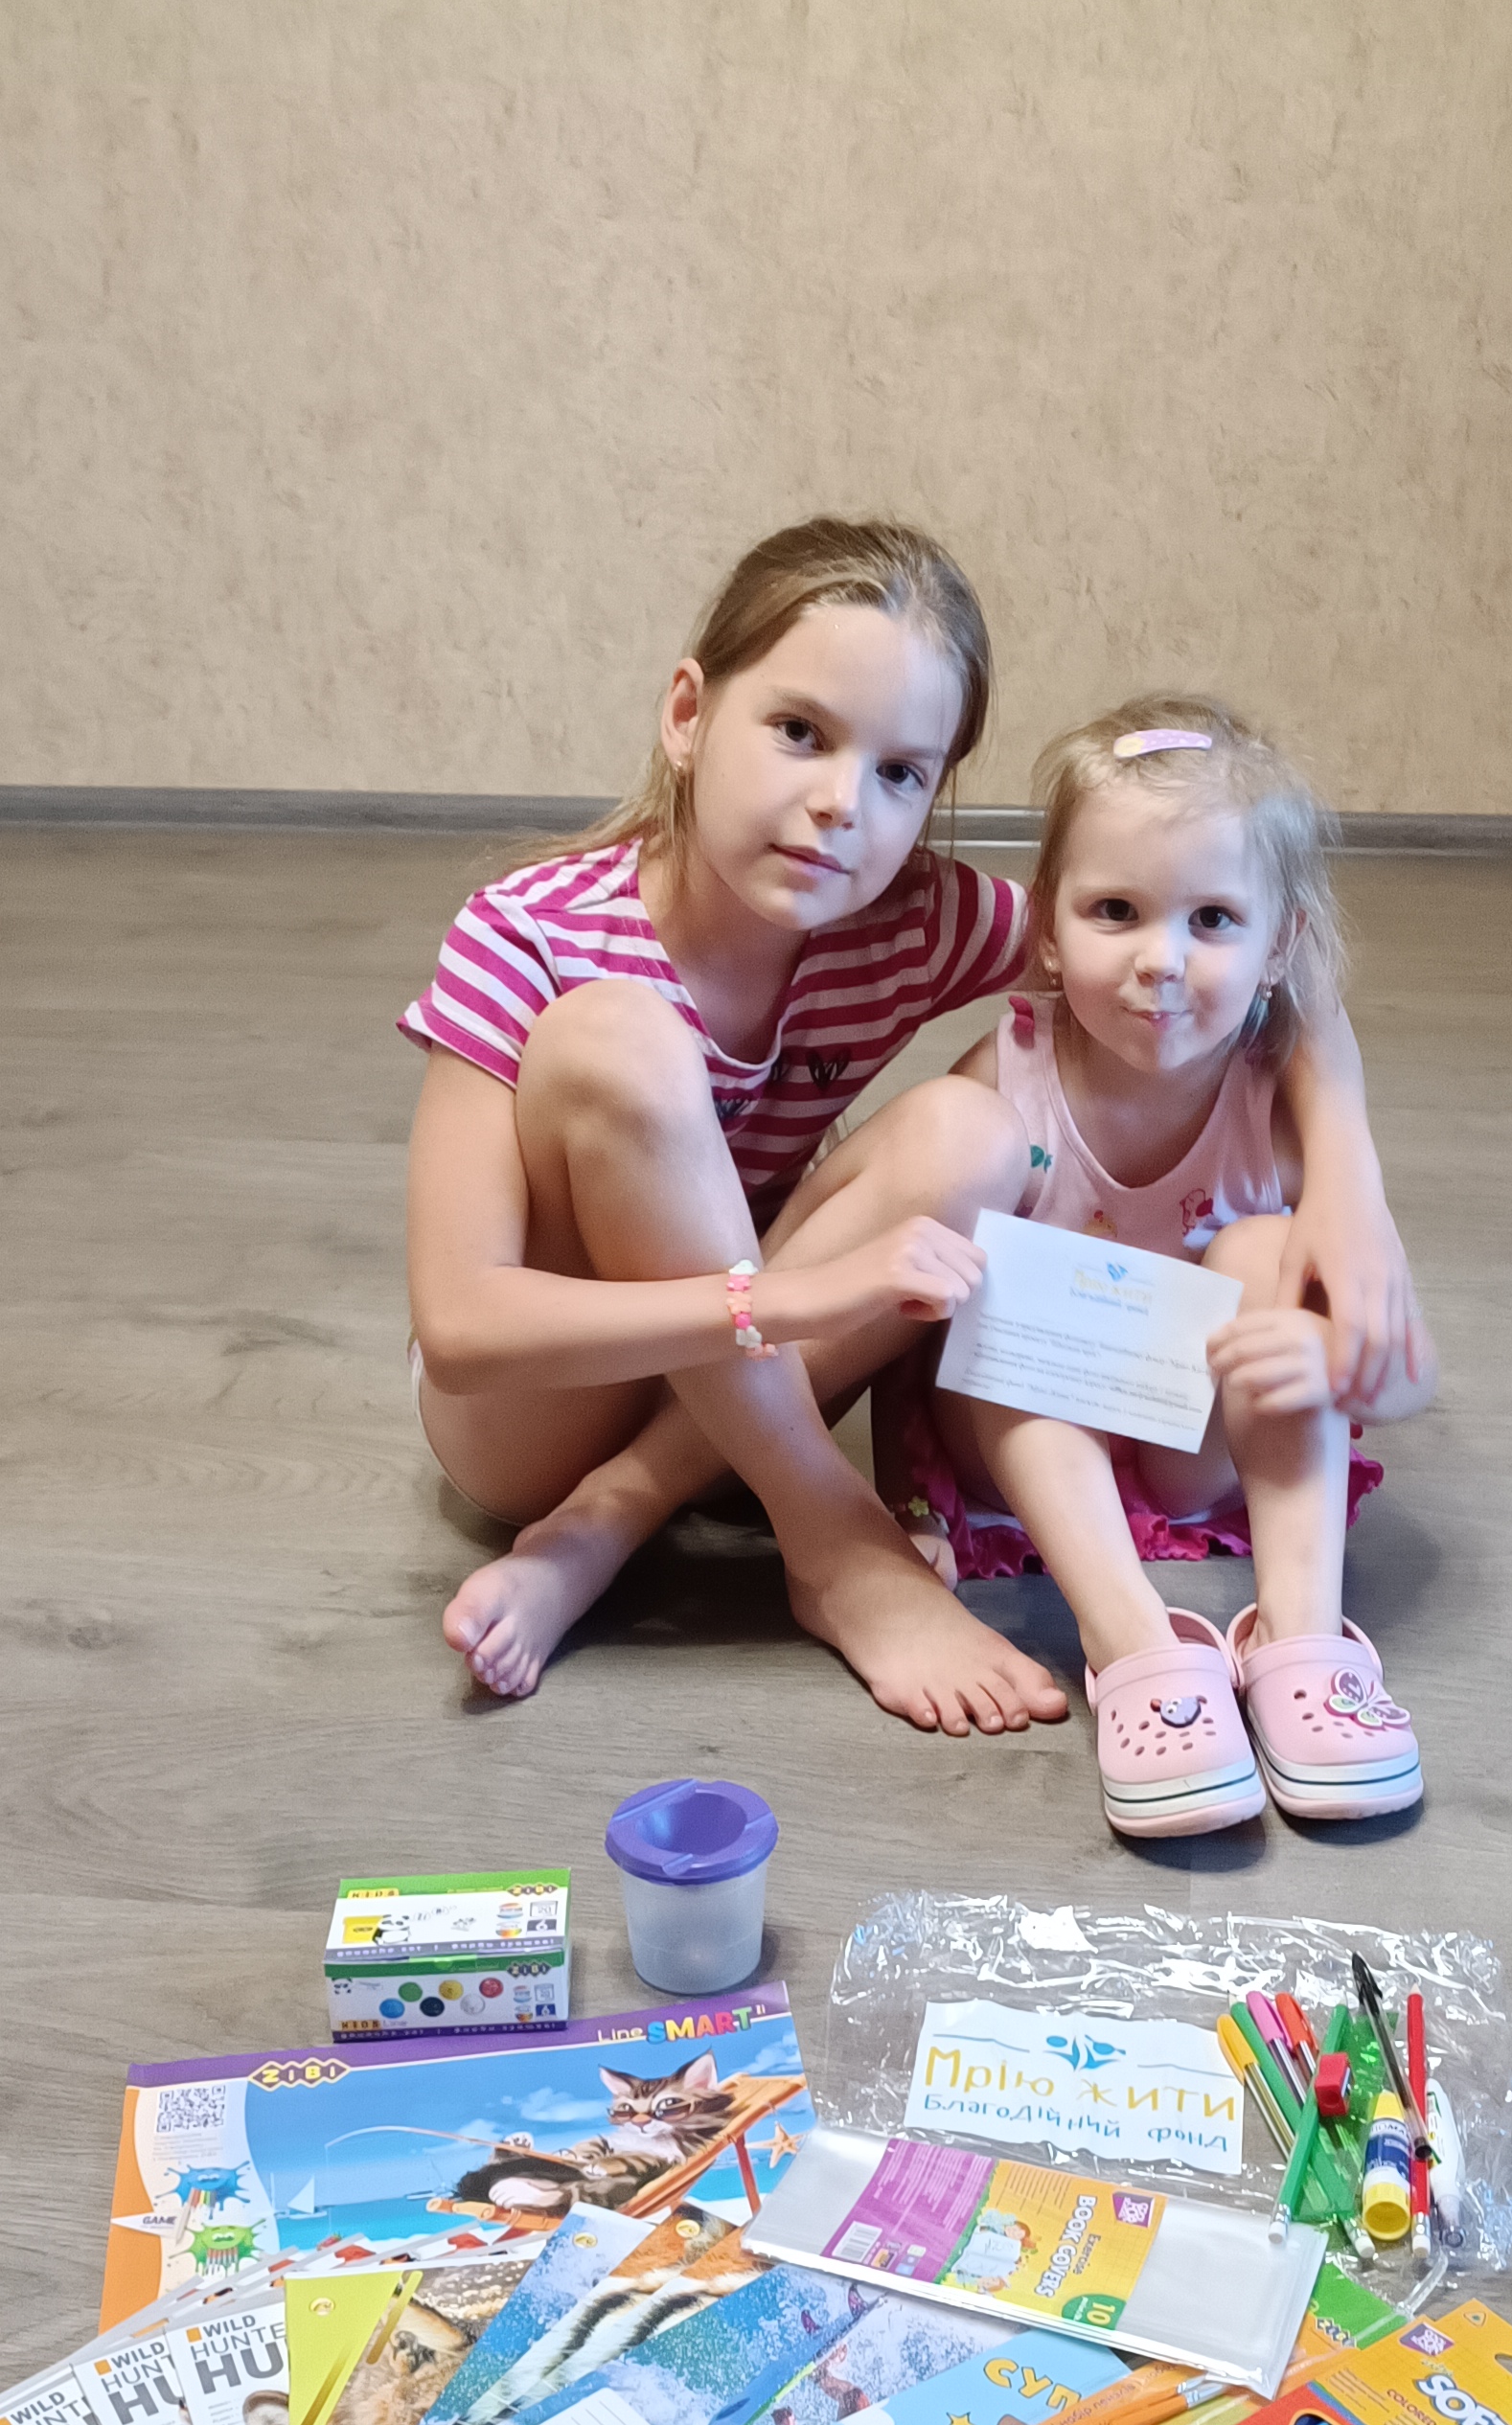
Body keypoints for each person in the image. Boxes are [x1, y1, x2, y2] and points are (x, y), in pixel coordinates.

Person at [401, 524, 1414, 1734]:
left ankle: (618, 1516)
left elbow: (1261, 969)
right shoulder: (527, 931)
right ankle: (834, 1544)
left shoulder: (907, 916)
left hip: (754, 1385)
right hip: (542, 1409)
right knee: (615, 1038)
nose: (842, 805)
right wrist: (791, 1299)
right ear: (687, 714)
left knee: (969, 1135)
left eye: (901, 773)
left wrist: (1348, 1192)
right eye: (799, 731)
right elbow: (462, 1329)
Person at [912, 699, 1436, 1833]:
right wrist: (903, 1499)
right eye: (1117, 910)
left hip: (1187, 1452)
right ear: (1049, 925)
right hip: (1032, 1451)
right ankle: (1131, 1640)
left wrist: (1333, 1357)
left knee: (1266, 1251)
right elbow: (918, 1313)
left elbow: (1408, 1374)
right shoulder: (1005, 1078)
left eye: (1213, 918)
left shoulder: (1277, 1109)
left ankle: (1302, 1638)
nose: (1162, 960)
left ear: (1279, 944)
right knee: (1010, 1280)